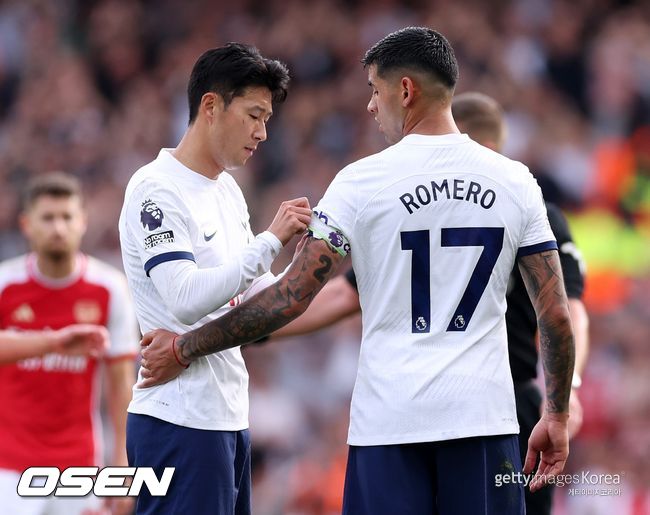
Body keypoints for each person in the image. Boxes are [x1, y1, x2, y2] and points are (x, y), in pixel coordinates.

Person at [139, 28, 575, 515]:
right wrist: (557, 414)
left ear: (404, 91)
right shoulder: (516, 181)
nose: (370, 105)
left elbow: (291, 295)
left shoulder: (361, 182)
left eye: (374, 89)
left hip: (388, 426)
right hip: (485, 423)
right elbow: (555, 313)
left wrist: (185, 347)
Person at [274, 91, 590, 515]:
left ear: (484, 147)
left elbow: (569, 311)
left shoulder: (415, 203)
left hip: (436, 404)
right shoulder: (520, 200)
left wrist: (565, 391)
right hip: (489, 407)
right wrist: (564, 395)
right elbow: (565, 312)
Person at [118, 43, 311, 515]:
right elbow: (184, 297)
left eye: (266, 119)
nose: (262, 132)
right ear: (211, 106)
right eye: (254, 115)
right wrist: (270, 240)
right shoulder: (155, 188)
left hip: (227, 418)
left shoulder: (226, 189)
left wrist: (315, 259)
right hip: (177, 420)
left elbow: (260, 296)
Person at [0, 172, 138, 515]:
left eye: (67, 217)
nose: (58, 227)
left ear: (83, 222)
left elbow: (121, 386)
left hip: (78, 464)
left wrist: (122, 463)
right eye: (48, 218)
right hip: (8, 465)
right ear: (27, 224)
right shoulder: (5, 284)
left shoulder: (110, 288)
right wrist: (50, 343)